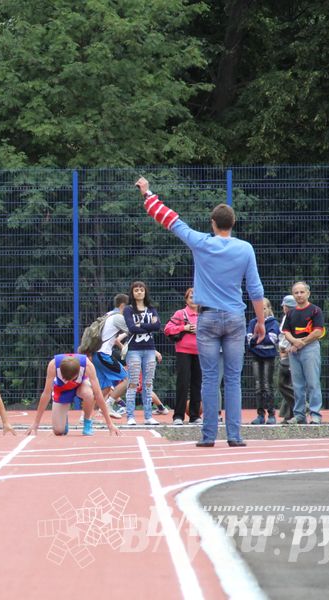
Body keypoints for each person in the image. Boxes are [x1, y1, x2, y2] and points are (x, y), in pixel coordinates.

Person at [137, 177, 265, 448]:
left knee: (209, 378)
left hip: (206, 317)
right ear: (233, 223)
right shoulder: (245, 249)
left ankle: (208, 436)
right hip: (235, 317)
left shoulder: (201, 243)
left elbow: (171, 220)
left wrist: (148, 194)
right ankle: (234, 436)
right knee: (233, 379)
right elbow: (255, 289)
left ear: (213, 223)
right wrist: (261, 322)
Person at [27, 354, 121, 436]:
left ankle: (87, 421)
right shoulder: (53, 365)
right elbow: (46, 394)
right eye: (65, 378)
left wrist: (110, 424)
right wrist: (36, 423)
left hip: (81, 385)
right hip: (62, 389)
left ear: (78, 372)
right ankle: (64, 418)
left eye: (72, 379)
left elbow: (98, 394)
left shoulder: (88, 365)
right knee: (58, 431)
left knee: (89, 394)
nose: (69, 381)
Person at [281, 281, 325, 424]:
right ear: (293, 295)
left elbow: (318, 331)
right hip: (294, 351)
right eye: (296, 292)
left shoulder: (315, 310)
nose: (299, 295)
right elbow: (286, 331)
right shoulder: (290, 313)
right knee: (297, 384)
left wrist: (301, 343)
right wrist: (295, 342)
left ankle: (315, 414)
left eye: (302, 292)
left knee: (313, 382)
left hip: (310, 349)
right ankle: (299, 414)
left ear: (308, 293)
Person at [122, 281, 162, 426]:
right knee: (133, 382)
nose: (139, 292)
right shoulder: (128, 310)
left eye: (141, 290)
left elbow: (157, 326)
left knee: (148, 383)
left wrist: (141, 325)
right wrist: (148, 326)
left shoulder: (151, 309)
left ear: (145, 292)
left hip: (150, 349)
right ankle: (130, 416)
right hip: (134, 350)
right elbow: (132, 328)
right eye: (136, 290)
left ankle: (148, 416)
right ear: (132, 293)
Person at [164, 288, 201, 425]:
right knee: (182, 383)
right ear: (186, 299)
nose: (193, 300)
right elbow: (167, 329)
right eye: (191, 297)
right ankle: (178, 416)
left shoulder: (204, 314)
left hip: (201, 352)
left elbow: (213, 330)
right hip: (183, 352)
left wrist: (200, 330)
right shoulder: (180, 313)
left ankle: (195, 416)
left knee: (197, 384)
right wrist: (183, 328)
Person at [91, 293, 130, 419]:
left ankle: (86, 415)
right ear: (123, 305)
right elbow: (133, 331)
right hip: (103, 355)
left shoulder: (108, 314)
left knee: (106, 388)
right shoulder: (118, 317)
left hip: (96, 354)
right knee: (128, 379)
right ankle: (108, 405)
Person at [247, 298, 280, 424]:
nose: (261, 311)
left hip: (269, 357)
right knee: (258, 386)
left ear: (269, 309)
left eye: (264, 308)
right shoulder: (252, 322)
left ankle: (271, 415)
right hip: (256, 357)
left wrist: (258, 337)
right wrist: (258, 338)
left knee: (267, 385)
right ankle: (260, 415)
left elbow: (272, 339)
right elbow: (249, 341)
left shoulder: (273, 323)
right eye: (258, 309)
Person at [277, 295, 297, 421]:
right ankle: (289, 414)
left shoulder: (290, 317)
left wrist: (283, 349)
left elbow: (286, 336)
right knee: (288, 383)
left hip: (288, 353)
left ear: (286, 307)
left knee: (282, 383)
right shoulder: (287, 317)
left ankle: (302, 405)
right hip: (286, 352)